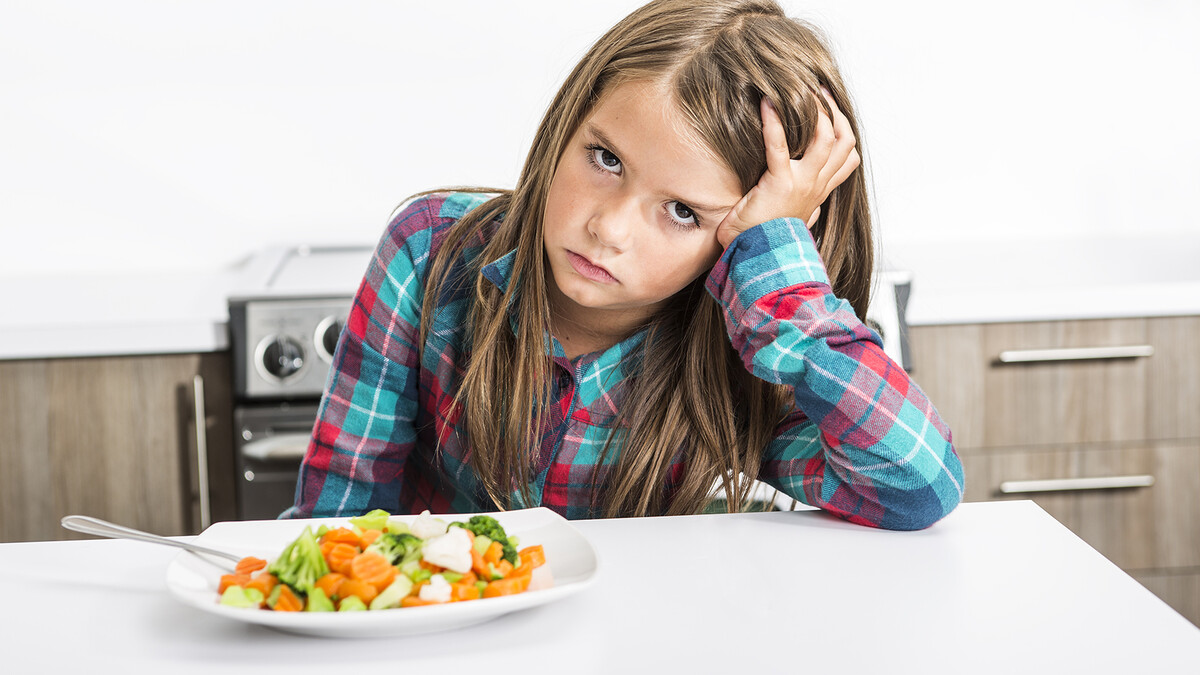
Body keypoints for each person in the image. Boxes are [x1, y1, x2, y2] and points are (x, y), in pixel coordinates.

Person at [282, 0, 964, 530]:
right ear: (567, 125)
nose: (607, 228)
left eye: (682, 212)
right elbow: (335, 519)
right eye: (605, 159)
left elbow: (918, 483)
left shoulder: (740, 345)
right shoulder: (430, 253)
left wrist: (778, 273)